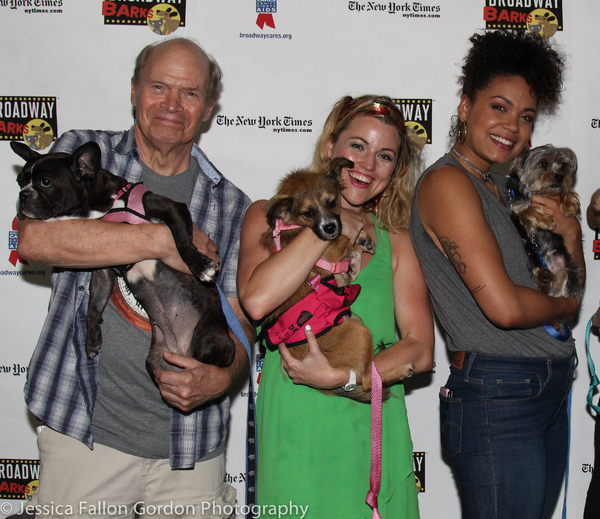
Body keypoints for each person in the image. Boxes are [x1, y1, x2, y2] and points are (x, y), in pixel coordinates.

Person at [17, 38, 252, 518]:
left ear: (208, 108)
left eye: (189, 93)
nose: (171, 104)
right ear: (133, 91)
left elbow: (241, 316)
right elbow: (34, 242)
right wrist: (161, 241)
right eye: (159, 86)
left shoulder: (229, 203)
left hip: (192, 446)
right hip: (86, 431)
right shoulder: (84, 156)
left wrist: (224, 375)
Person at [410, 30, 585, 519]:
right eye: (499, 107)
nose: (514, 127)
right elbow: (506, 308)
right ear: (465, 107)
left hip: (543, 386)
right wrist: (568, 308)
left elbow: (564, 280)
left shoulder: (506, 188)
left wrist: (569, 231)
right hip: (500, 396)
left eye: (526, 116)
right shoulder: (448, 181)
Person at [237, 95, 435, 518]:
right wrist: (328, 223)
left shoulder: (396, 241)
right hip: (298, 428)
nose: (367, 165)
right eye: (357, 146)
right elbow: (257, 301)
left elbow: (420, 349)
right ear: (331, 148)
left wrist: (345, 378)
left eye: (385, 156)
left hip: (373, 427)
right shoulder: (270, 217)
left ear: (395, 170)